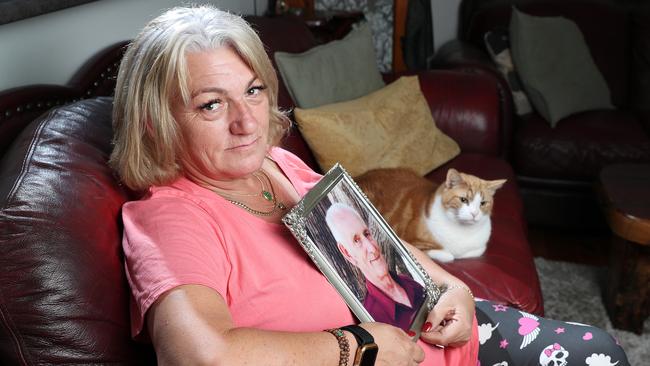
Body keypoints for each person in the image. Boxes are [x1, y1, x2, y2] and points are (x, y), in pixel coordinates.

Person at [110, 5, 630, 366]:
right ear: (157, 122)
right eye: (211, 104)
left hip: (438, 338)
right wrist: (357, 346)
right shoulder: (172, 217)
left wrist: (455, 289)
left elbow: (382, 240)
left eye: (253, 91)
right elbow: (199, 355)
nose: (247, 122)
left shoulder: (275, 164)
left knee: (599, 349)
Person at [325, 202, 426, 331]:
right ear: (347, 254)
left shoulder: (408, 283)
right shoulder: (374, 318)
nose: (372, 248)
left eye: (367, 234)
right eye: (356, 241)